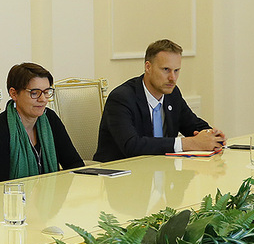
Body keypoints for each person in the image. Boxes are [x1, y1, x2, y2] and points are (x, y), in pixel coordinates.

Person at [94, 39, 226, 163]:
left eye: (176, 71)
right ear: (148, 67)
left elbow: (193, 125)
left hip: (163, 171)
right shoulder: (121, 98)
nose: (172, 78)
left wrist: (213, 137)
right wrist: (189, 143)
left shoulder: (172, 94)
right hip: (121, 172)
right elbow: (132, 146)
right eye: (166, 70)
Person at [0, 62, 85, 184]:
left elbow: (74, 164)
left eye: (46, 92)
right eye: (34, 93)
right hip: (12, 196)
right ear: (14, 93)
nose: (43, 99)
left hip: (51, 194)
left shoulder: (50, 119)